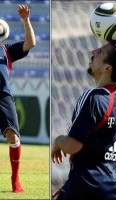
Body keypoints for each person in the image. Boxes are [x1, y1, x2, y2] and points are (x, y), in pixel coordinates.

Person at [52, 40, 116, 200]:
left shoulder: (94, 97)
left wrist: (58, 141)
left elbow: (72, 146)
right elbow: (103, 150)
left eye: (100, 52)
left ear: (107, 68)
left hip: (86, 188)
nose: (93, 52)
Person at [0, 5, 36, 192]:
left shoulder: (6, 51)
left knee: (13, 137)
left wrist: (25, 20)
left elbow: (30, 43)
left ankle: (15, 180)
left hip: (3, 96)